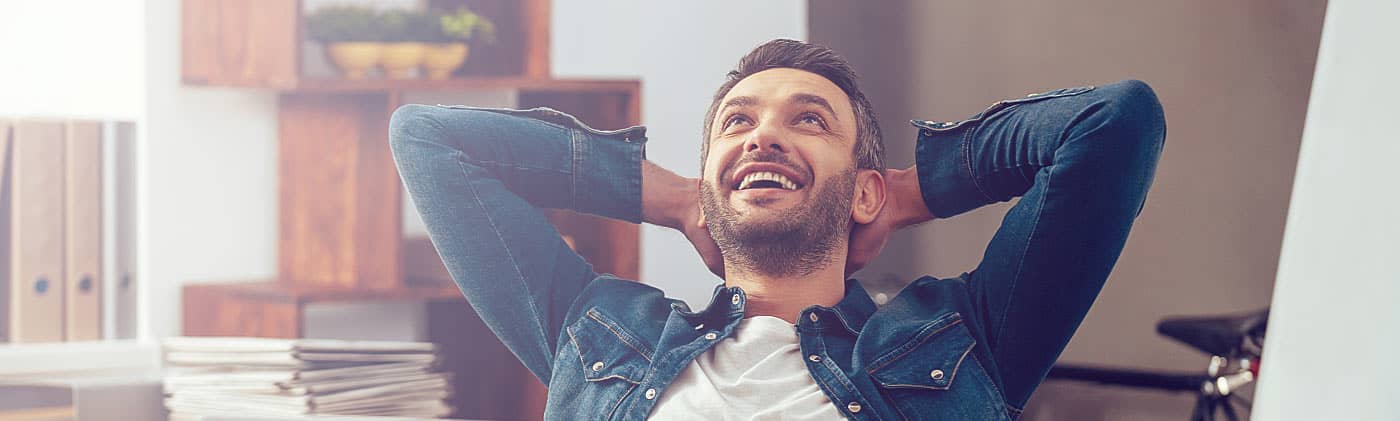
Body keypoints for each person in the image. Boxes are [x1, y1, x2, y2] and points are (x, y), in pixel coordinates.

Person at [389, 39, 1165, 420]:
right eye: (737, 123)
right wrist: (670, 195)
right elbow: (426, 138)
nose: (762, 136)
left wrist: (907, 191)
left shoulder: (962, 340)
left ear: (860, 190)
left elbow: (1114, 124)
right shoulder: (598, 334)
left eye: (808, 120)